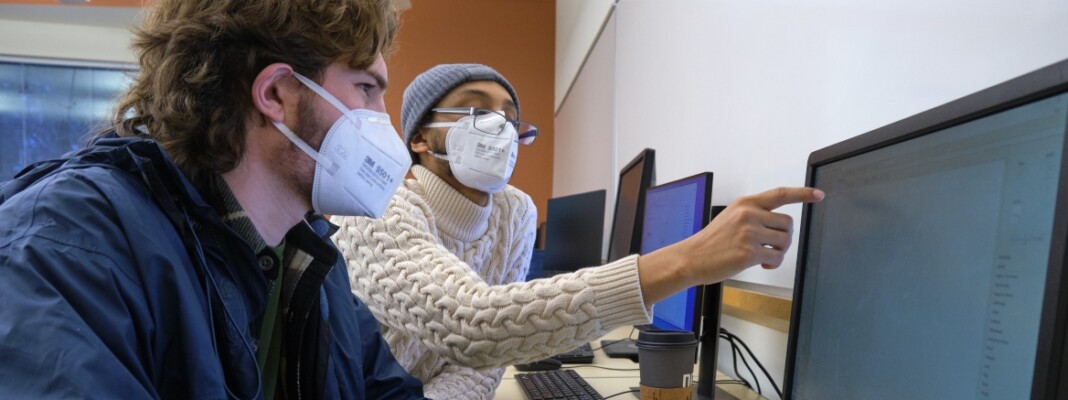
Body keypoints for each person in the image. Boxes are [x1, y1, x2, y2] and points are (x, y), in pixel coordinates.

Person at [0, 0, 429, 398]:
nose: (381, 120)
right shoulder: (67, 248)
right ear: (277, 93)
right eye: (366, 89)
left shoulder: (310, 263)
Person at [331, 63, 825, 399]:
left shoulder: (514, 213)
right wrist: (689, 260)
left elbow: (483, 361)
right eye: (478, 110)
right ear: (418, 136)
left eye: (510, 117)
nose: (500, 127)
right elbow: (470, 324)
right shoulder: (376, 209)